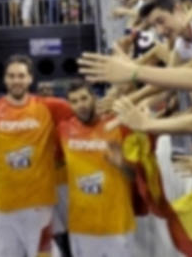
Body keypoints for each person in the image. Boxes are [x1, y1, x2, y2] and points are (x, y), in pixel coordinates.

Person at [0, 55, 73, 257]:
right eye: (11, 76)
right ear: (4, 80)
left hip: (39, 207)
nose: (16, 80)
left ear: (30, 79)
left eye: (21, 76)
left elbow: (87, 113)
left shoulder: (50, 107)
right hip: (4, 208)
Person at [59, 81, 135, 256]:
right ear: (69, 105)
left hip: (117, 225)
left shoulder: (117, 126)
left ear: (94, 98)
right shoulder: (63, 130)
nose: (81, 105)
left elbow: (135, 176)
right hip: (82, 227)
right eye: (74, 101)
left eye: (84, 98)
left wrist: (121, 163)